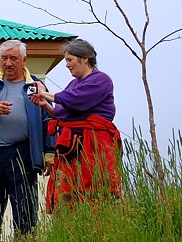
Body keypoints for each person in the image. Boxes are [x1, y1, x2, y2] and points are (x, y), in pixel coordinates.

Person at [0, 39, 54, 242]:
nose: (8, 63)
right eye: (4, 58)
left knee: (25, 210)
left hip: (23, 155)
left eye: (13, 58)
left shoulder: (35, 85)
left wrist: (49, 154)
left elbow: (47, 120)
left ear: (24, 60)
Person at [29, 38, 121, 211]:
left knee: (94, 190)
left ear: (85, 58)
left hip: (93, 145)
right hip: (71, 148)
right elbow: (61, 113)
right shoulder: (73, 84)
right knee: (67, 196)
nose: (67, 65)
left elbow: (75, 100)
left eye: (69, 59)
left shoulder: (101, 80)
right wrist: (45, 104)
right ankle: (68, 230)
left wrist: (45, 94)